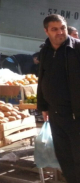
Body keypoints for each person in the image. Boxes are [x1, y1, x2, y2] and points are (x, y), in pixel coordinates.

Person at [37, 14, 80, 183]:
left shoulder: (76, 49)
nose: (60, 32)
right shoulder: (45, 51)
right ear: (46, 31)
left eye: (62, 27)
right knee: (64, 157)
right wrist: (43, 106)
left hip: (76, 115)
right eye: (54, 29)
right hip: (56, 114)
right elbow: (42, 78)